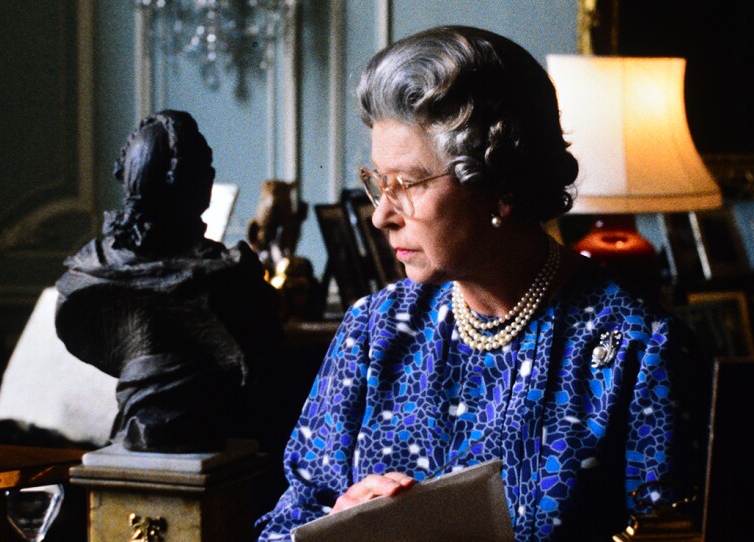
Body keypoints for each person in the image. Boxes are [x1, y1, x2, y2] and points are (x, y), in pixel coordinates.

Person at [257, 26, 706, 541]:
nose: (382, 214)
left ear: (499, 186)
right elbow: (285, 525)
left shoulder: (637, 350)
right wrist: (341, 518)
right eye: (379, 182)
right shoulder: (373, 332)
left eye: (406, 183)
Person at [55, 110, 286, 453]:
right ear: (192, 183)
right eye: (206, 170)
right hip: (187, 424)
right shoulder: (229, 278)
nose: (211, 177)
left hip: (194, 429)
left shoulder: (86, 266)